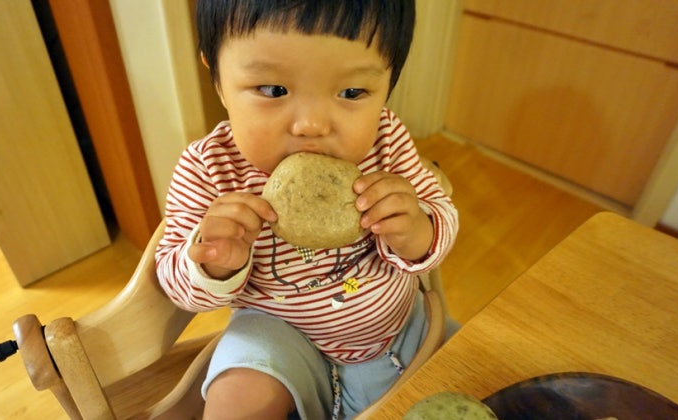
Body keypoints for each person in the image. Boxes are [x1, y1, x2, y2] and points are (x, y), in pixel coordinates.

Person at [155, 1, 458, 418]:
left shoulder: (387, 141)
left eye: (352, 93)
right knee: (236, 397)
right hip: (277, 337)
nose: (312, 125)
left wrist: (418, 231)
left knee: (477, 374)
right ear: (219, 80)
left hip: (397, 331)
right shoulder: (209, 168)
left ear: (389, 83)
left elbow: (439, 214)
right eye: (273, 90)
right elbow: (174, 281)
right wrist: (212, 262)